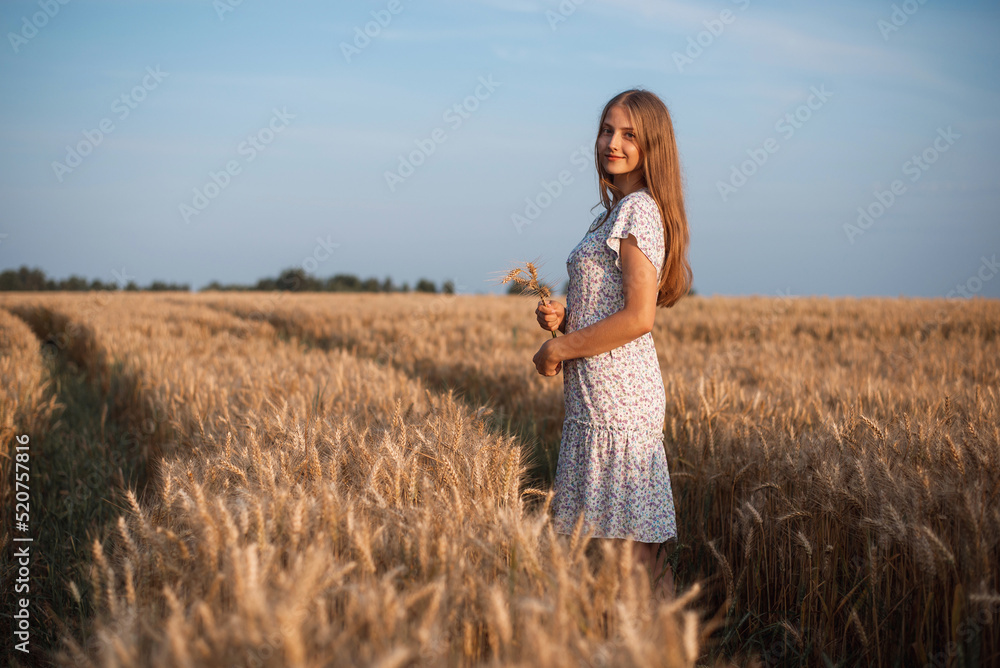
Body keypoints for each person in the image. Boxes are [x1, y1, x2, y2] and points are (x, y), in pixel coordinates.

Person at [531, 88, 692, 599]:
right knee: (628, 550)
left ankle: (657, 651)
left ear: (652, 145)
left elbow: (639, 317)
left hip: (620, 399)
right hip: (596, 398)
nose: (612, 143)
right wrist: (565, 315)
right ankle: (656, 648)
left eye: (628, 134)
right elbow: (610, 304)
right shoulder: (613, 212)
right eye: (606, 130)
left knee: (634, 553)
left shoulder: (638, 210)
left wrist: (559, 349)